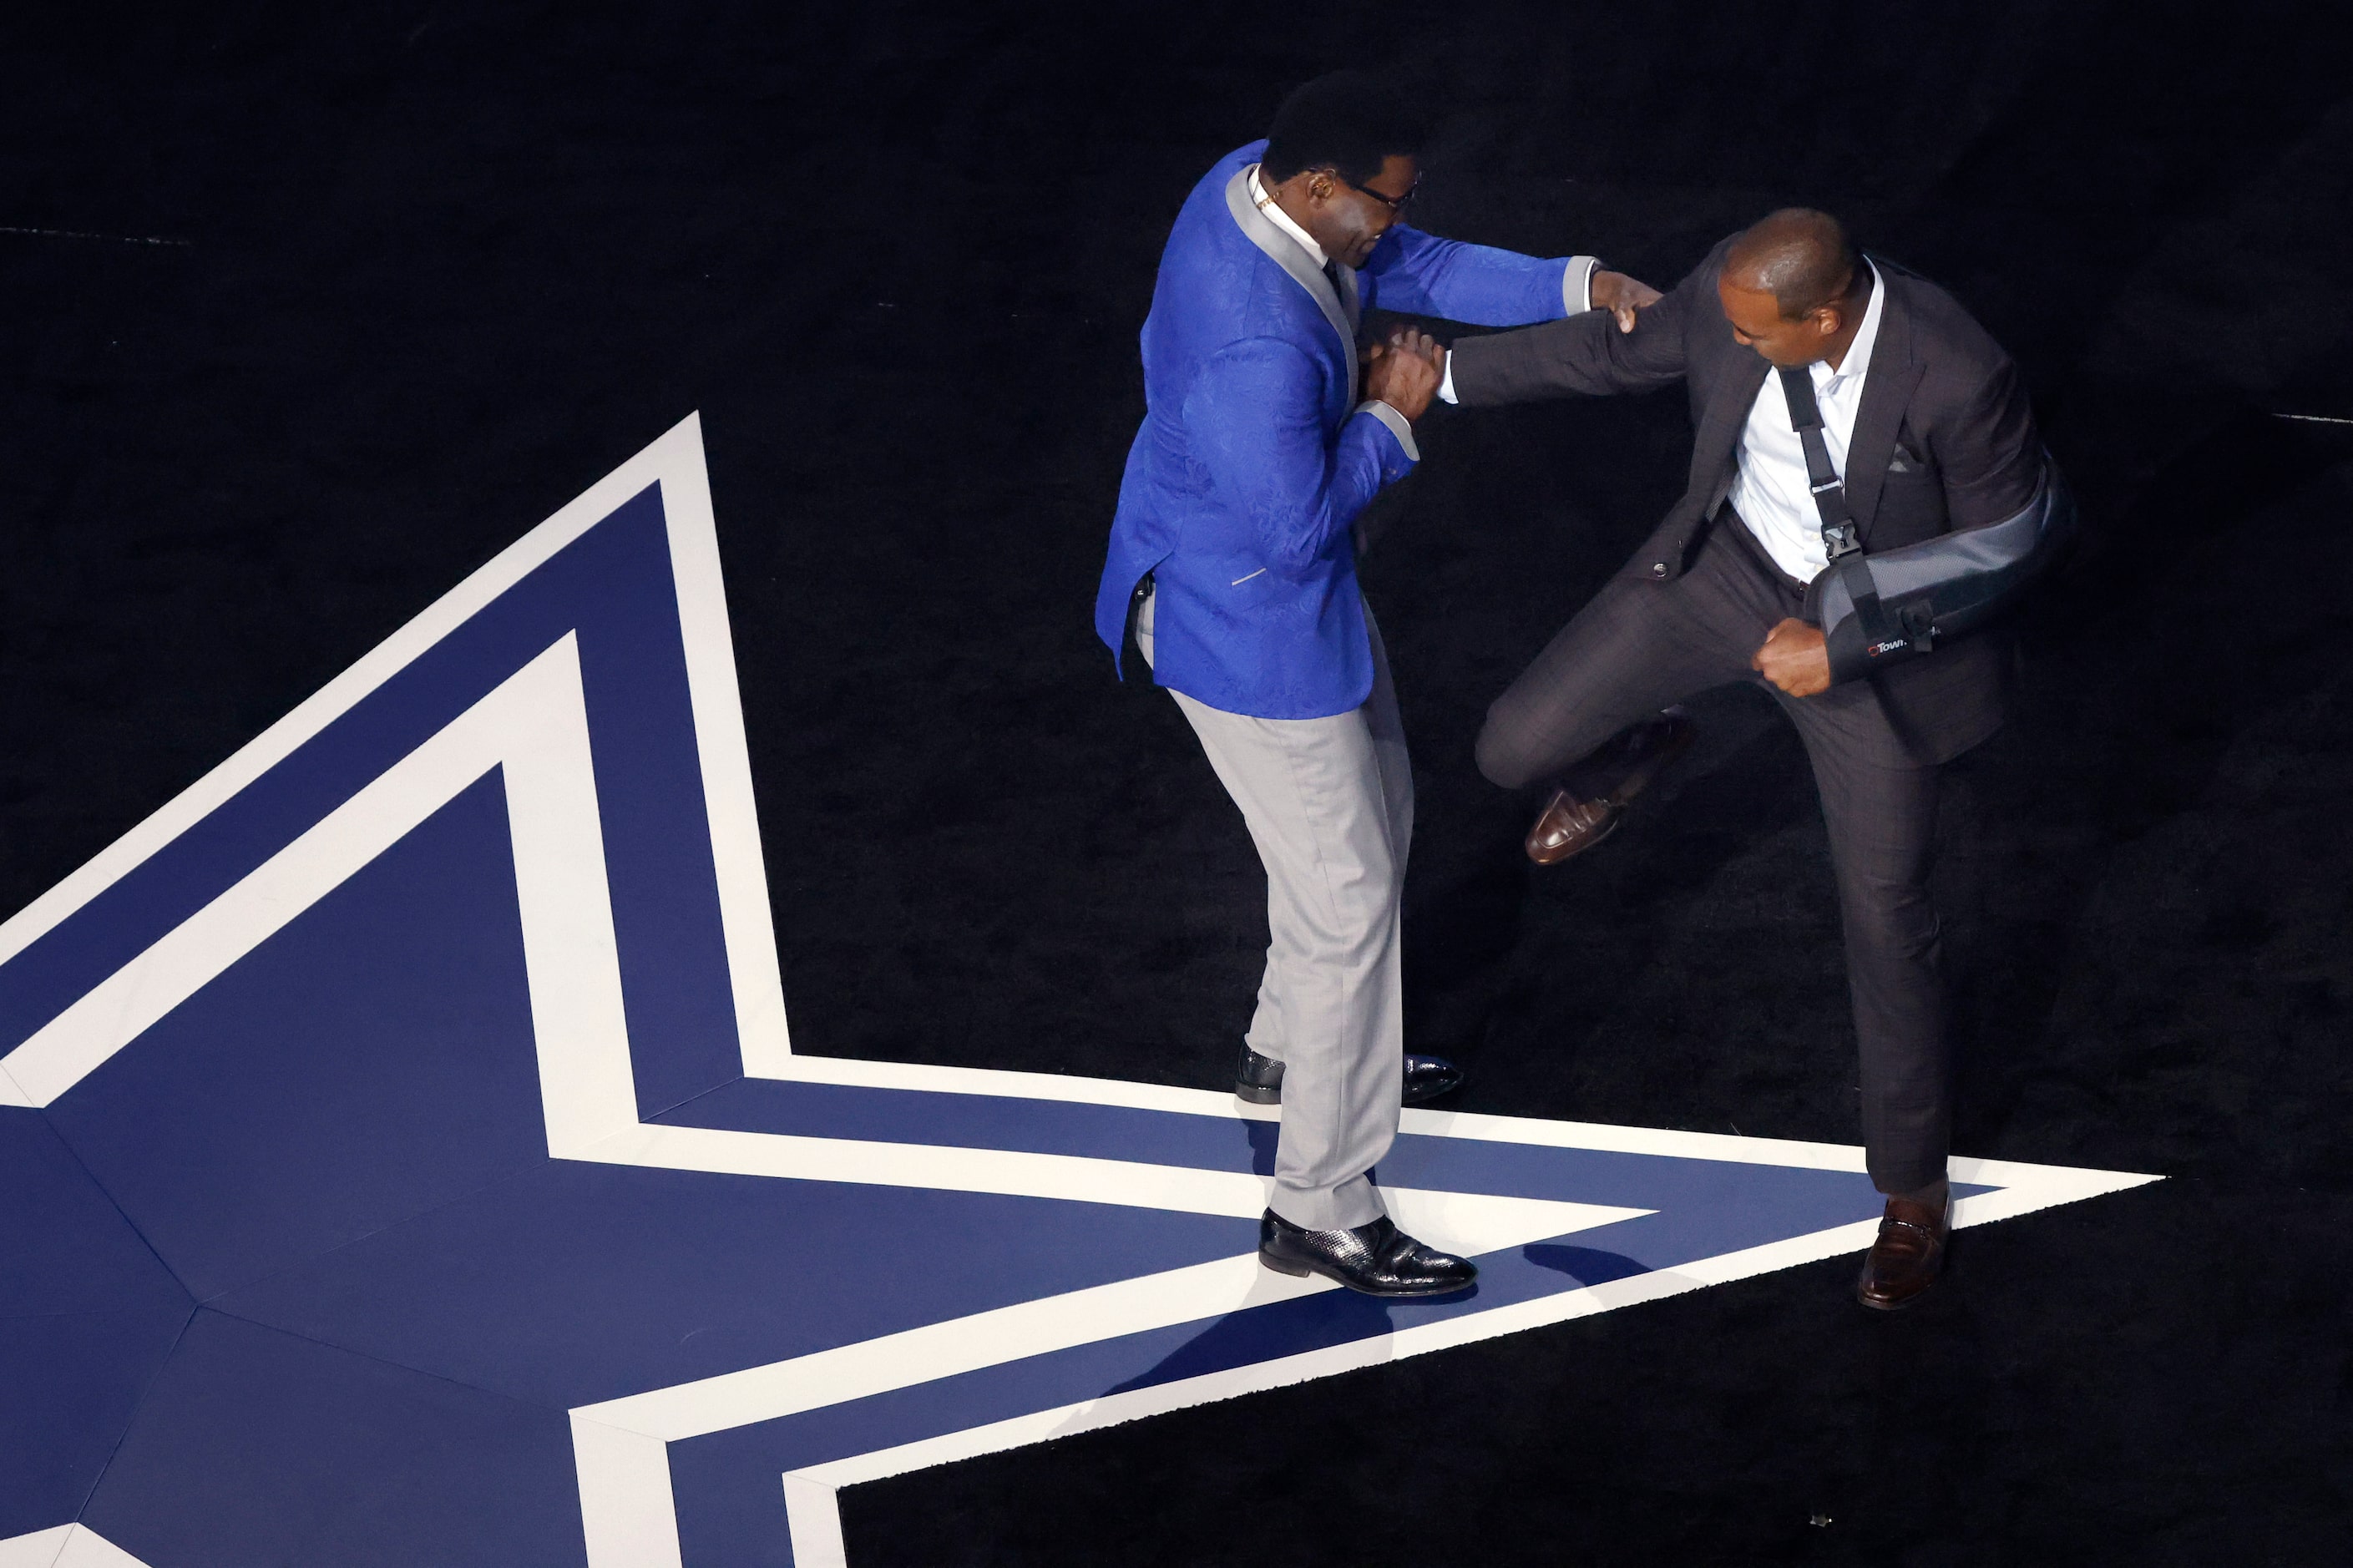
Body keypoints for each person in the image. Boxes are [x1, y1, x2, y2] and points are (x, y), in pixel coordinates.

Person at [1435, 208, 2068, 1309]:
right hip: (1725, 570)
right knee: (1510, 749)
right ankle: (1647, 737)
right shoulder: (1738, 292)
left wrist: (1844, 641)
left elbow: (2011, 542)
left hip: (1866, 648)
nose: (1724, 341)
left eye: (1753, 334)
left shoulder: (1958, 372)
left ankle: (1912, 1191)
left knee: (1886, 916)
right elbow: (1619, 348)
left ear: (1824, 316)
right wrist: (1437, 377)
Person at [1093, 70, 1657, 1297]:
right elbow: (1294, 531)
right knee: (1348, 898)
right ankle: (1320, 1206)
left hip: (1269, 597)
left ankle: (1286, 1057)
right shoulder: (1251, 338)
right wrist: (1392, 414)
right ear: (1314, 189)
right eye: (1385, 204)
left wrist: (1577, 284)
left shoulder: (1258, 176)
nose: (1396, 224)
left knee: (1374, 829)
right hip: (1243, 626)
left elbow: (1421, 268)